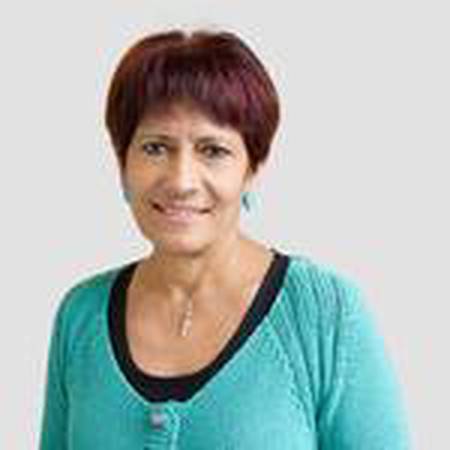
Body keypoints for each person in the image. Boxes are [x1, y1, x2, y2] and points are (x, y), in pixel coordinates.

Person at [39, 28, 411, 449]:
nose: (181, 181)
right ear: (122, 164)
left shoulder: (325, 316)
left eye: (213, 150)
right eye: (155, 148)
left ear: (253, 168)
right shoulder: (81, 315)